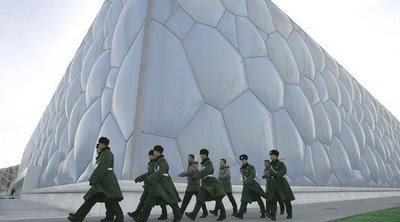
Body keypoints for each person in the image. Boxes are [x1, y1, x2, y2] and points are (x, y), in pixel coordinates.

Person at [68, 137, 124, 222]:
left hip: (107, 183)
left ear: (104, 144)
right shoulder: (103, 154)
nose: (99, 145)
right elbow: (99, 167)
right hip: (102, 183)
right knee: (94, 200)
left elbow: (102, 168)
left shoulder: (108, 154)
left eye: (100, 143)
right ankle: (78, 217)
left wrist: (93, 179)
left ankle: (118, 218)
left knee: (111, 201)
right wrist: (98, 155)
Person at [135, 145, 182, 222]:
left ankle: (177, 216)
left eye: (154, 151)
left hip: (165, 184)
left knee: (172, 201)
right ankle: (142, 219)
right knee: (149, 201)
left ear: (157, 152)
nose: (153, 152)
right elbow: (152, 173)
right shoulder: (157, 162)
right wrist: (141, 178)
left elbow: (160, 172)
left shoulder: (163, 161)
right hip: (157, 184)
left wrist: (149, 179)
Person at [185, 149, 226, 221]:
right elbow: (202, 172)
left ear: (205, 155)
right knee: (199, 200)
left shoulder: (209, 163)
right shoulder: (203, 163)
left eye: (202, 154)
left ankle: (223, 214)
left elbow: (206, 171)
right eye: (200, 154)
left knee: (218, 199)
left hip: (211, 183)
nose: (201, 156)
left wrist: (196, 176)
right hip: (204, 184)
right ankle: (193, 215)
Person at [128, 150, 168, 220]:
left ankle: (141, 216)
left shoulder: (155, 163)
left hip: (153, 185)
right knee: (145, 199)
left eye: (150, 155)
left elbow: (151, 173)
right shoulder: (152, 163)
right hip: (151, 185)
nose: (149, 157)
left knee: (150, 201)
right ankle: (137, 213)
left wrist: (140, 178)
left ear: (153, 156)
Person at [233, 154, 267, 219]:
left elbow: (253, 174)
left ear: (246, 160)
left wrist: (247, 180)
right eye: (241, 160)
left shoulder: (251, 167)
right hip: (246, 187)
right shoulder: (241, 168)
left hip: (253, 185)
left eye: (244, 160)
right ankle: (241, 214)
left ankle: (263, 213)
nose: (242, 161)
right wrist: (245, 182)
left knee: (258, 199)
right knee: (244, 200)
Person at [266, 150, 295, 220]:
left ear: (276, 156)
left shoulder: (280, 164)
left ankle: (290, 213)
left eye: (272, 155)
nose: (271, 156)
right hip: (273, 184)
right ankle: (273, 215)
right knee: (273, 200)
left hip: (281, 184)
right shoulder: (270, 165)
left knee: (286, 200)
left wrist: (277, 174)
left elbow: (284, 171)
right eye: (271, 155)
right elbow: (268, 174)